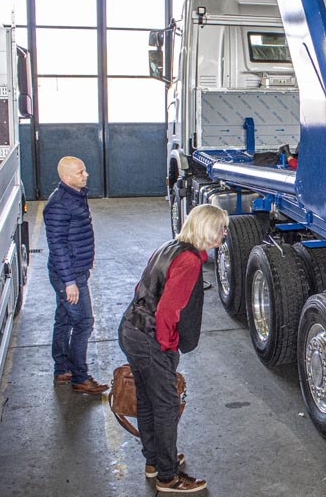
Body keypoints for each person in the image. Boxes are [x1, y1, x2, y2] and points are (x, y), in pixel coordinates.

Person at [119, 204, 228, 493]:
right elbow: (168, 311)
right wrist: (166, 348)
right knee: (167, 406)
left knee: (147, 401)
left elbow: (140, 289)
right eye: (221, 229)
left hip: (130, 328)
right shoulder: (189, 261)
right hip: (150, 339)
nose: (224, 234)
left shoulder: (169, 247)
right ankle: (168, 477)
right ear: (208, 230)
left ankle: (154, 461)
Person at [44, 156, 107, 395]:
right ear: (66, 177)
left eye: (84, 171)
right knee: (83, 322)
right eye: (80, 172)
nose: (86, 175)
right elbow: (57, 246)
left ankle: (62, 369)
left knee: (64, 319)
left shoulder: (74, 196)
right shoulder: (59, 204)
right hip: (69, 274)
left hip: (74, 270)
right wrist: (69, 282)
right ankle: (80, 377)